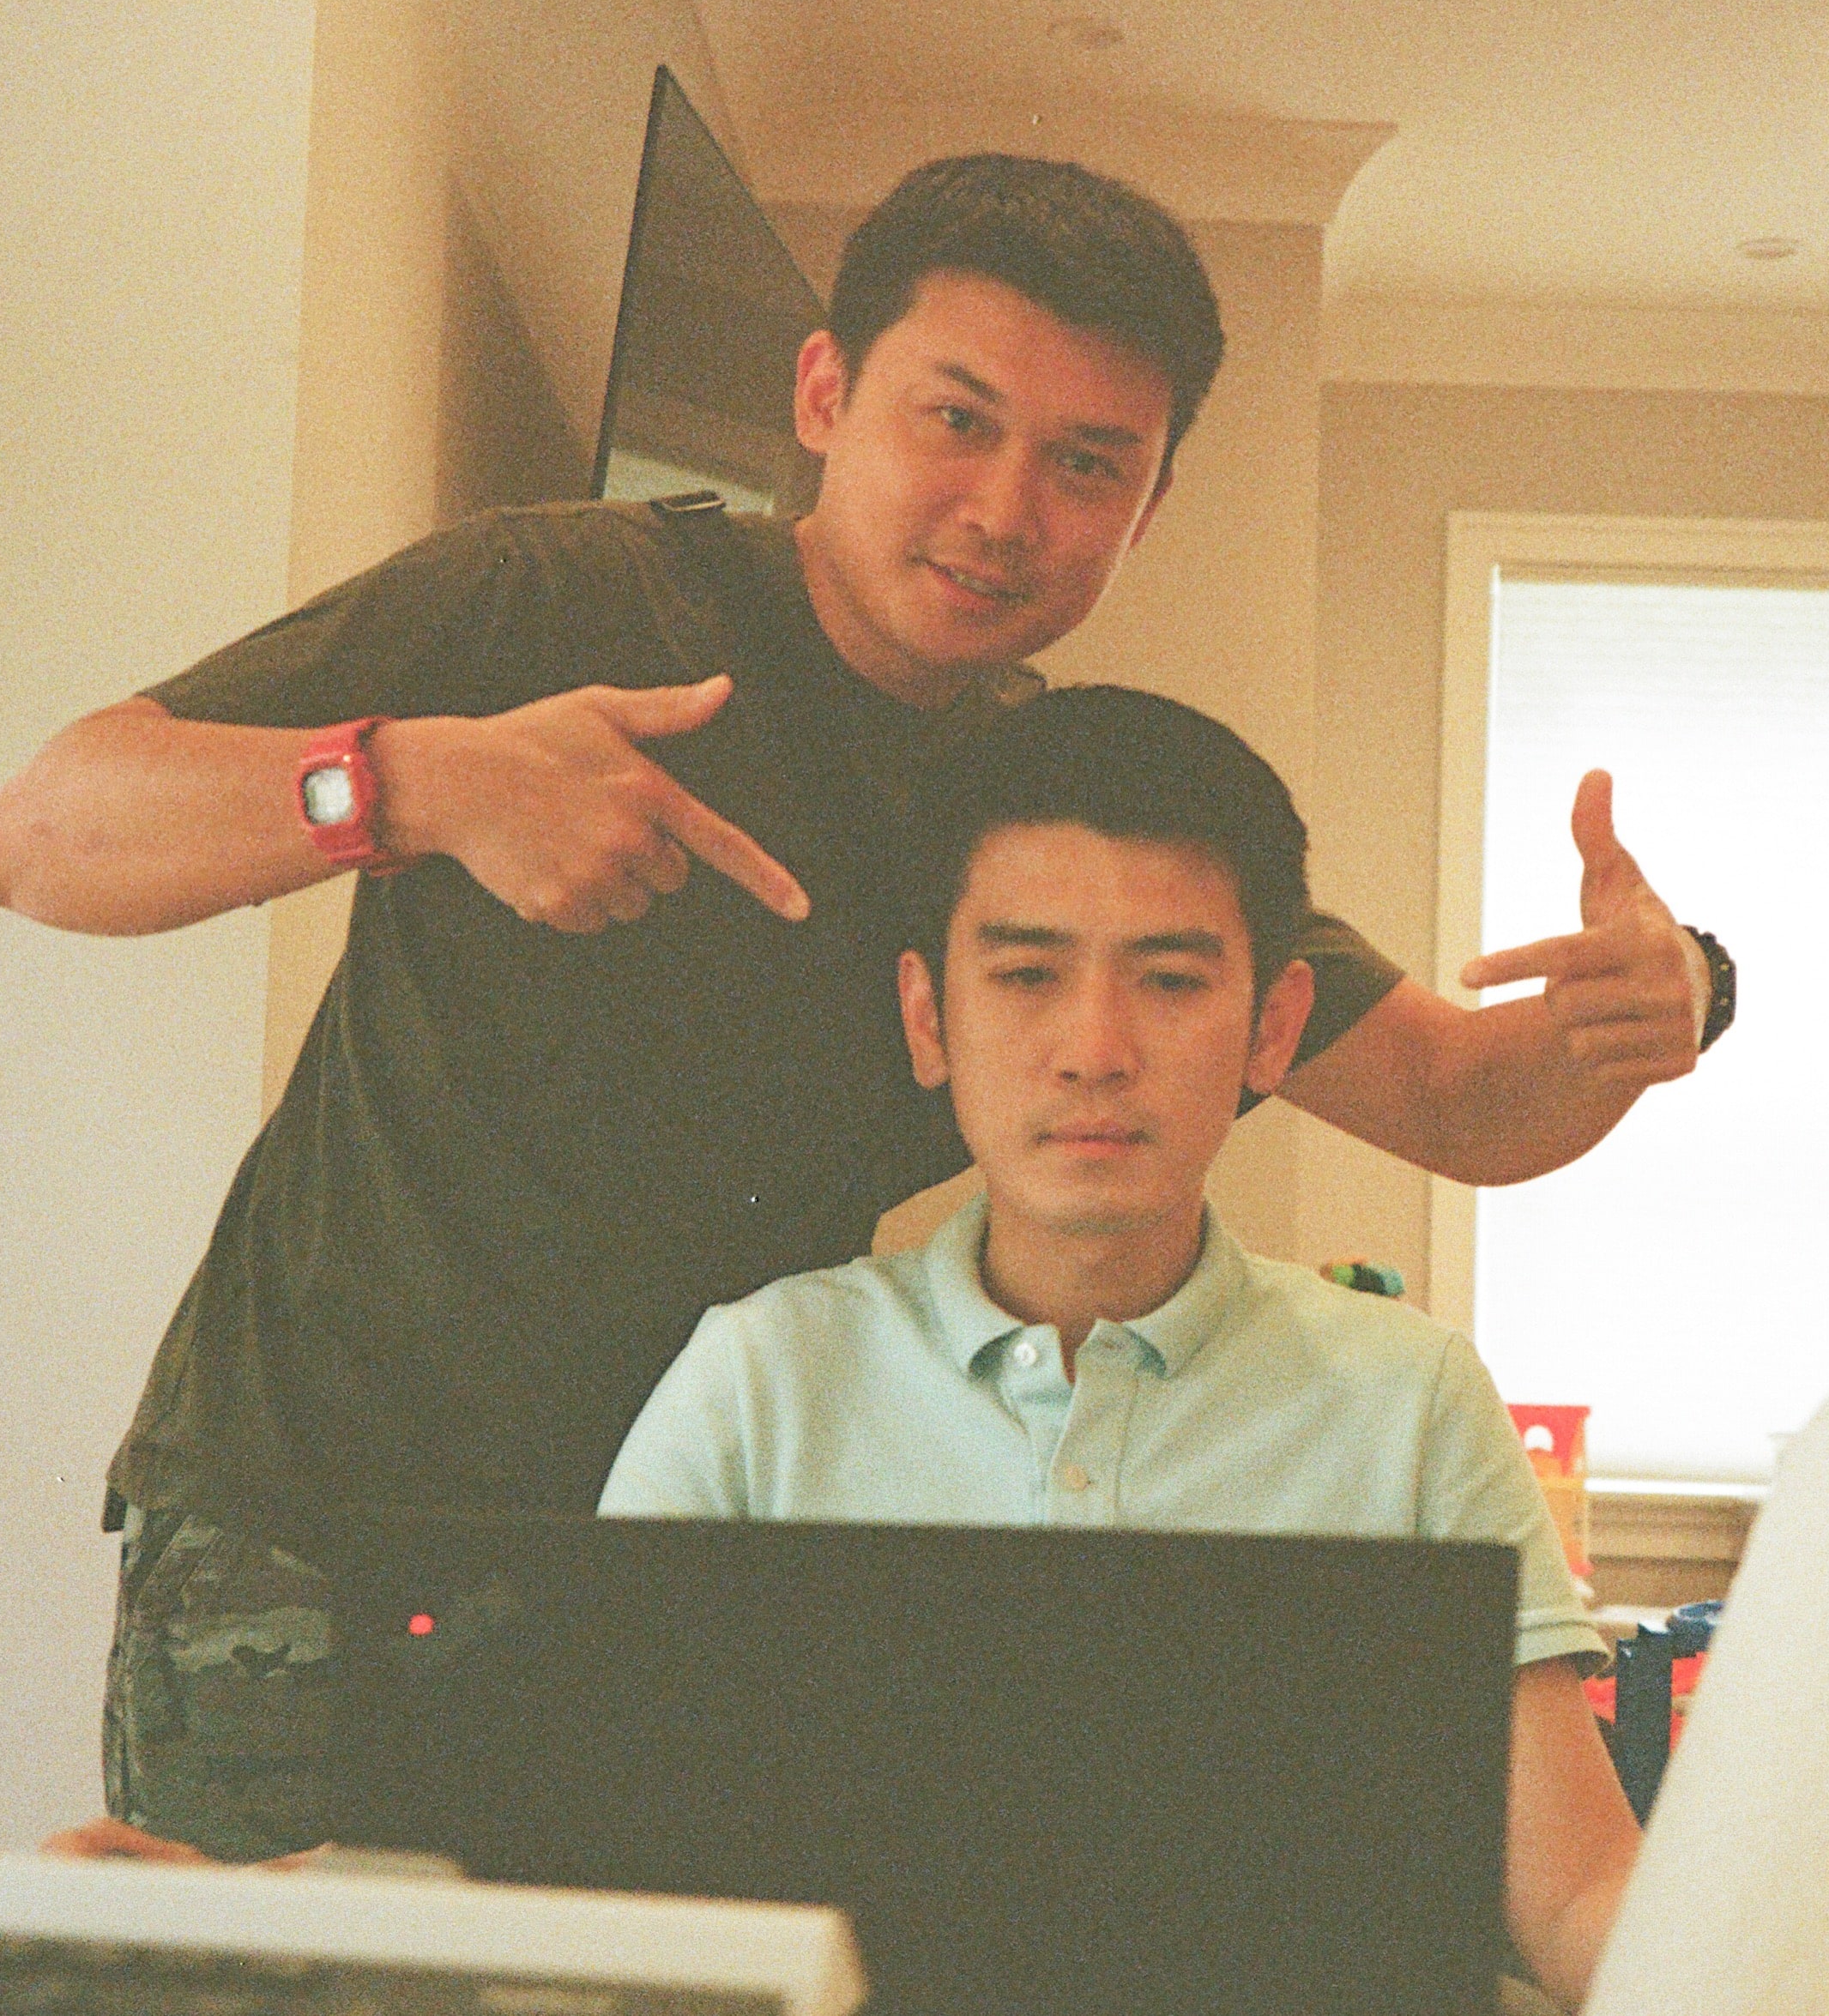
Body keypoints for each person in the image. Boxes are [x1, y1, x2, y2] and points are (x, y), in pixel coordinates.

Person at [0, 154, 1729, 1862]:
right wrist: (411, 782)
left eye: (1087, 463)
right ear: (824, 392)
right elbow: (40, 834)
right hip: (319, 1537)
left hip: (727, 1564)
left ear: (1146, 506)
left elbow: (1460, 1098)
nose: (1005, 510)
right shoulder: (561, 597)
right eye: (956, 419)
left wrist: (1673, 996)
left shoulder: (1033, 807)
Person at [601, 684, 1639, 2013]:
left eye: (1171, 980)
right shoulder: (757, 1383)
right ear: (928, 1017)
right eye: (1027, 975)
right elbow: (602, 1869)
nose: (1094, 1050)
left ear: (1274, 1028)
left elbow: (1576, 1891)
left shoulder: (1411, 1400)